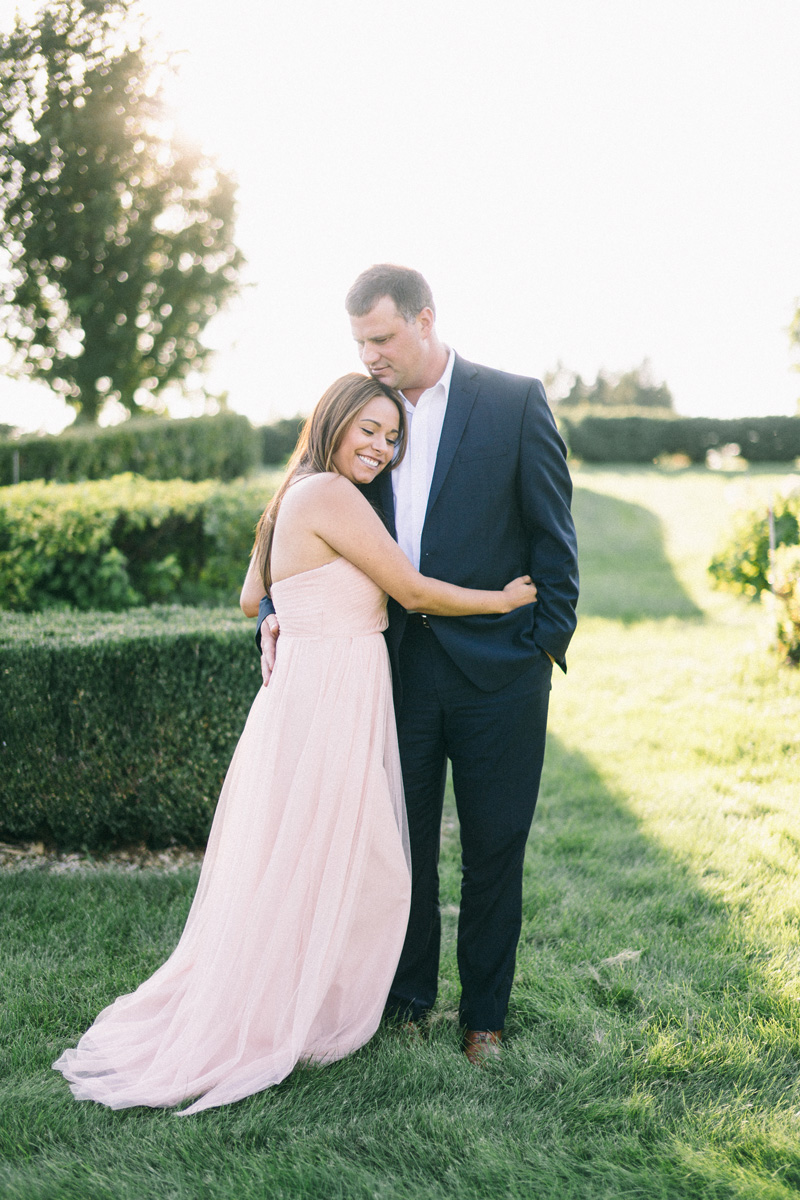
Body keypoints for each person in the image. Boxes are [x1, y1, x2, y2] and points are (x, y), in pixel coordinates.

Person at [53, 373, 537, 1114]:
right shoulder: (332, 496)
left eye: (392, 436)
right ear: (334, 420)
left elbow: (254, 597)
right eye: (369, 430)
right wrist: (501, 600)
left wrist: (284, 612)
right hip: (333, 692)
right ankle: (306, 1005)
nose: (382, 446)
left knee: (306, 854)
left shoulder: (293, 492)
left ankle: (308, 990)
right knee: (355, 856)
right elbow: (412, 591)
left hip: (310, 688)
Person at [258, 266, 579, 1065]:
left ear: (425, 319)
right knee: (394, 844)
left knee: (496, 844)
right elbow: (297, 526)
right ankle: (404, 1002)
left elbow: (554, 538)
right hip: (389, 671)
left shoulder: (513, 402)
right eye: (358, 341)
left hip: (500, 673)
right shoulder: (364, 420)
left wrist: (542, 644)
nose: (369, 354)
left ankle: (486, 1018)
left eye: (381, 337)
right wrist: (276, 616)